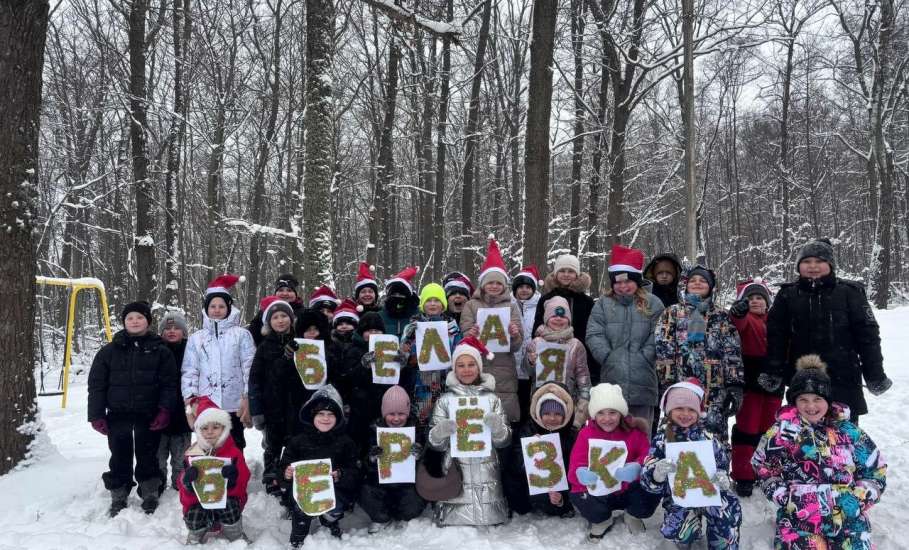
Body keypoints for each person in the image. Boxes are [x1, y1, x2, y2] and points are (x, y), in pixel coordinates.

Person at [752, 355, 887, 550]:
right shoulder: (783, 431)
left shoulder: (849, 431)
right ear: (794, 401)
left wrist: (858, 499)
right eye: (803, 399)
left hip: (847, 518)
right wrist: (783, 496)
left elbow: (875, 470)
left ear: (828, 400)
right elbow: (763, 466)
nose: (811, 406)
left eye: (817, 399)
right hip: (799, 518)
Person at [761, 238, 892, 423]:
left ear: (830, 264)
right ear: (798, 266)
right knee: (805, 437)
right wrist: (772, 370)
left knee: (843, 437)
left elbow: (868, 337)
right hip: (803, 381)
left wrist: (874, 374)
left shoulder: (850, 293)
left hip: (843, 378)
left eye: (819, 261)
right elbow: (776, 337)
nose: (813, 266)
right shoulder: (787, 295)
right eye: (806, 261)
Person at [87, 301, 179, 516]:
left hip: (149, 414)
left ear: (148, 321)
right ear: (124, 322)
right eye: (130, 318)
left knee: (148, 456)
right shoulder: (109, 351)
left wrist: (164, 410)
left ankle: (149, 492)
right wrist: (96, 415)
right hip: (117, 415)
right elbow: (97, 385)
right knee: (119, 456)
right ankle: (119, 494)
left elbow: (169, 384)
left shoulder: (161, 351)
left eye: (139, 317)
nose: (135, 321)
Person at [641, 379, 742, 549]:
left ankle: (723, 544)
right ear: (669, 410)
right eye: (679, 408)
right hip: (678, 498)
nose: (685, 414)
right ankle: (682, 539)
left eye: (691, 409)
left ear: (698, 411)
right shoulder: (661, 440)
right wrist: (656, 475)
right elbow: (647, 482)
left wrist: (723, 479)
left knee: (729, 509)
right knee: (679, 530)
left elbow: (722, 463)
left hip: (708, 493)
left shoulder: (708, 437)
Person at [427, 337, 512, 527]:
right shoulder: (445, 400)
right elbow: (434, 442)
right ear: (454, 369)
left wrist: (498, 429)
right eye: (461, 365)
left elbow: (504, 440)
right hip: (456, 467)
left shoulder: (492, 399)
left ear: (479, 367)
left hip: (487, 468)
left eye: (471, 364)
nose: (466, 370)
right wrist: (440, 432)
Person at [654, 265, 744, 442]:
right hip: (681, 386)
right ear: (685, 285)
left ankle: (718, 467)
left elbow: (732, 350)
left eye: (702, 280)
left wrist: (735, 384)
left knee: (714, 436)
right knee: (679, 433)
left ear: (711, 286)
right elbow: (663, 349)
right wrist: (667, 383)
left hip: (714, 389)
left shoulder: (721, 316)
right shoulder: (671, 313)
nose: (697, 283)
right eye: (693, 280)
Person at [586, 244, 665, 435]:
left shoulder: (653, 303)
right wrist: (608, 356)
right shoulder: (603, 305)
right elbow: (593, 333)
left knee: (641, 433)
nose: (623, 286)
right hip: (613, 380)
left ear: (637, 281)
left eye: (627, 281)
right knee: (614, 437)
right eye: (618, 283)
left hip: (643, 380)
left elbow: (660, 334)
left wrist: (645, 356)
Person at [568, 383, 659, 540]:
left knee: (651, 489)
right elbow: (575, 464)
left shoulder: (635, 433)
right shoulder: (585, 434)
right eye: (601, 413)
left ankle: (633, 515)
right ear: (593, 415)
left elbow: (647, 456)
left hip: (627, 490)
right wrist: (581, 473)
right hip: (599, 492)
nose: (607, 418)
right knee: (578, 494)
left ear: (621, 413)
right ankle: (602, 520)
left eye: (612, 412)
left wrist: (637, 467)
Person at [182, 274, 256, 449]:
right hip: (206, 403)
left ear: (229, 308)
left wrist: (247, 396)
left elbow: (249, 368)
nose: (216, 310)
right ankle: (211, 475)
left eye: (221, 306)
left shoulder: (241, 335)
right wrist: (190, 399)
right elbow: (190, 371)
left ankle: (236, 474)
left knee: (235, 442)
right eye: (212, 306)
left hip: (235, 403)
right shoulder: (196, 339)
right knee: (209, 442)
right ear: (206, 309)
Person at [281, 386, 360, 547]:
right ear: (312, 416)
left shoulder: (346, 443)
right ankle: (298, 537)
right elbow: (282, 466)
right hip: (304, 491)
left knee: (337, 506)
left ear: (338, 417)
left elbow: (355, 472)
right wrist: (286, 473)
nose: (326, 418)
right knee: (301, 509)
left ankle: (328, 520)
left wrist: (340, 475)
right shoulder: (298, 442)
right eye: (321, 414)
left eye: (331, 414)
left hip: (334, 491)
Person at [247, 296, 306, 500]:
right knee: (272, 444)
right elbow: (255, 378)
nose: (280, 320)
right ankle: (271, 475)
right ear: (269, 323)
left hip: (296, 404)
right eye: (275, 317)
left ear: (291, 318)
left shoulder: (301, 342)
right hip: (272, 405)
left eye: (284, 316)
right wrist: (257, 410)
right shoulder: (265, 347)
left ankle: (289, 474)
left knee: (294, 443)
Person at [460, 237, 523, 423]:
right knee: (477, 417)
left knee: (504, 417)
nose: (494, 286)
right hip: (477, 366)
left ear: (504, 285)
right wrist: (469, 335)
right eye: (490, 282)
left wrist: (515, 334)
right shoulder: (471, 306)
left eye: (498, 283)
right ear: (483, 284)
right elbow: (463, 339)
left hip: (504, 368)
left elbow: (517, 345)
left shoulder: (511, 306)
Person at [727, 278, 780, 497]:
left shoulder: (777, 320)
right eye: (751, 298)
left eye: (760, 297)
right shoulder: (747, 318)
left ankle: (765, 470)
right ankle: (743, 474)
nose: (756, 301)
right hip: (750, 381)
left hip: (774, 383)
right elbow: (738, 324)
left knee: (768, 429)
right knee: (747, 429)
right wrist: (738, 313)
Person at [178, 396, 251, 544]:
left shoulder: (233, 452)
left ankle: (235, 534)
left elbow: (244, 480)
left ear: (224, 428)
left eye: (215, 427)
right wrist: (187, 481)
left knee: (230, 506)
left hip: (226, 502)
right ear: (198, 429)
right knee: (194, 514)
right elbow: (182, 487)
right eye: (205, 428)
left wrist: (233, 480)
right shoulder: (192, 453)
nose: (210, 432)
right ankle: (195, 535)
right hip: (200, 502)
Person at [503, 382, 577, 518]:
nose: (552, 418)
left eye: (557, 414)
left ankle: (562, 504)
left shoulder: (571, 435)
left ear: (565, 415)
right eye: (547, 413)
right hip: (530, 483)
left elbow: (573, 466)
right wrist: (530, 451)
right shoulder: (527, 430)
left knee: (556, 501)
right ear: (538, 413)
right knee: (516, 492)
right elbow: (515, 460)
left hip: (556, 484)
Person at [359, 386, 426, 533]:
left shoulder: (416, 431)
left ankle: (405, 517)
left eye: (401, 413)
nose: (396, 418)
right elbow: (362, 463)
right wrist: (371, 458)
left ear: (408, 413)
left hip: (407, 486)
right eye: (391, 414)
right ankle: (381, 518)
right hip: (379, 485)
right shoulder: (373, 431)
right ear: (384, 413)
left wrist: (420, 456)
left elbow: (426, 466)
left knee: (414, 503)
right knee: (365, 492)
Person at [400, 283, 461, 439]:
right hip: (420, 384)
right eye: (428, 300)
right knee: (421, 424)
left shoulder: (452, 326)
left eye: (437, 300)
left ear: (443, 304)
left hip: (445, 383)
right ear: (422, 304)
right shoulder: (412, 327)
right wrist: (407, 350)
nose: (433, 304)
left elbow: (458, 353)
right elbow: (402, 358)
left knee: (444, 423)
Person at [524, 297, 591, 429]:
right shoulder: (536, 342)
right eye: (554, 315)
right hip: (540, 408)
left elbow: (584, 382)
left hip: (567, 408)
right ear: (546, 318)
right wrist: (530, 362)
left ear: (569, 320)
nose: (559, 319)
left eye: (563, 316)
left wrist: (579, 416)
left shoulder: (576, 345)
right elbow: (528, 373)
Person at [532, 253, 598, 385]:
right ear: (556, 274)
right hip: (551, 357)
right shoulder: (546, 299)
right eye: (562, 271)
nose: (566, 274)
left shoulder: (587, 301)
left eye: (571, 271)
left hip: (580, 356)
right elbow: (537, 327)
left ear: (577, 274)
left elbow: (592, 330)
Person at [157, 310, 192, 493]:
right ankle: (159, 480)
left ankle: (180, 481)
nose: (171, 331)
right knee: (158, 455)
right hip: (159, 413)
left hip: (182, 414)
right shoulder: (155, 350)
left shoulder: (190, 351)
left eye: (176, 328)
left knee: (181, 455)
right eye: (167, 328)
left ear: (183, 332)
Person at [512, 264, 542, 423]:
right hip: (513, 363)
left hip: (532, 362)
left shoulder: (540, 305)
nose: (524, 290)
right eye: (520, 287)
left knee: (530, 401)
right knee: (516, 401)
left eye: (528, 287)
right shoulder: (509, 305)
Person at [247, 274, 307, 346]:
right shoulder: (264, 312)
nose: (285, 293)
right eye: (281, 290)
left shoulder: (304, 313)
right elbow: (252, 336)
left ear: (295, 294)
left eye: (289, 290)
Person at [380, 266, 421, 337]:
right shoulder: (380, 316)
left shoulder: (419, 316)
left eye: (401, 294)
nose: (397, 297)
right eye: (394, 294)